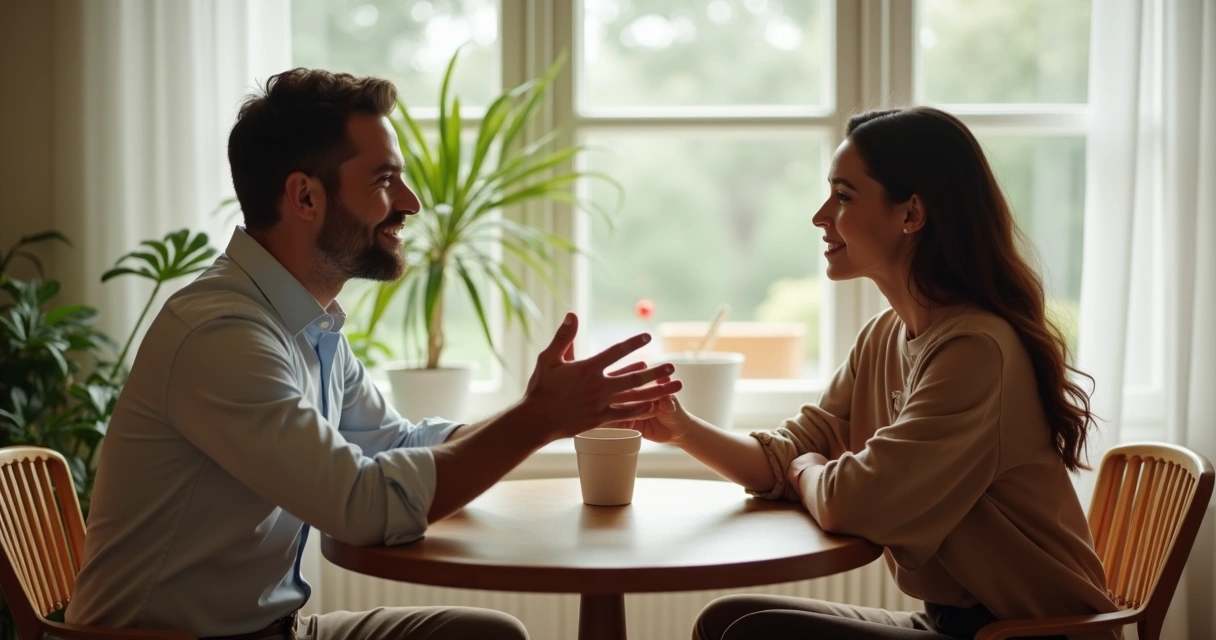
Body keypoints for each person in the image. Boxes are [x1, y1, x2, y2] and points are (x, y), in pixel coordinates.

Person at [64, 68, 681, 640]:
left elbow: (399, 444)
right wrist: (537, 418)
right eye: (385, 180)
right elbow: (362, 506)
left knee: (484, 635)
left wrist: (547, 414)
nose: (411, 203)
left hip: (275, 631)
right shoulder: (222, 333)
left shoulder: (306, 322)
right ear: (305, 197)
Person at [626, 107, 1118, 640]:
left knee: (755, 633)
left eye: (842, 196)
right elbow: (789, 455)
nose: (820, 215)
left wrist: (808, 473)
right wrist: (682, 429)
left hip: (1032, 634)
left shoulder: (976, 351)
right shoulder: (883, 336)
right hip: (950, 625)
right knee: (727, 621)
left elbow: (853, 503)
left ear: (911, 214)